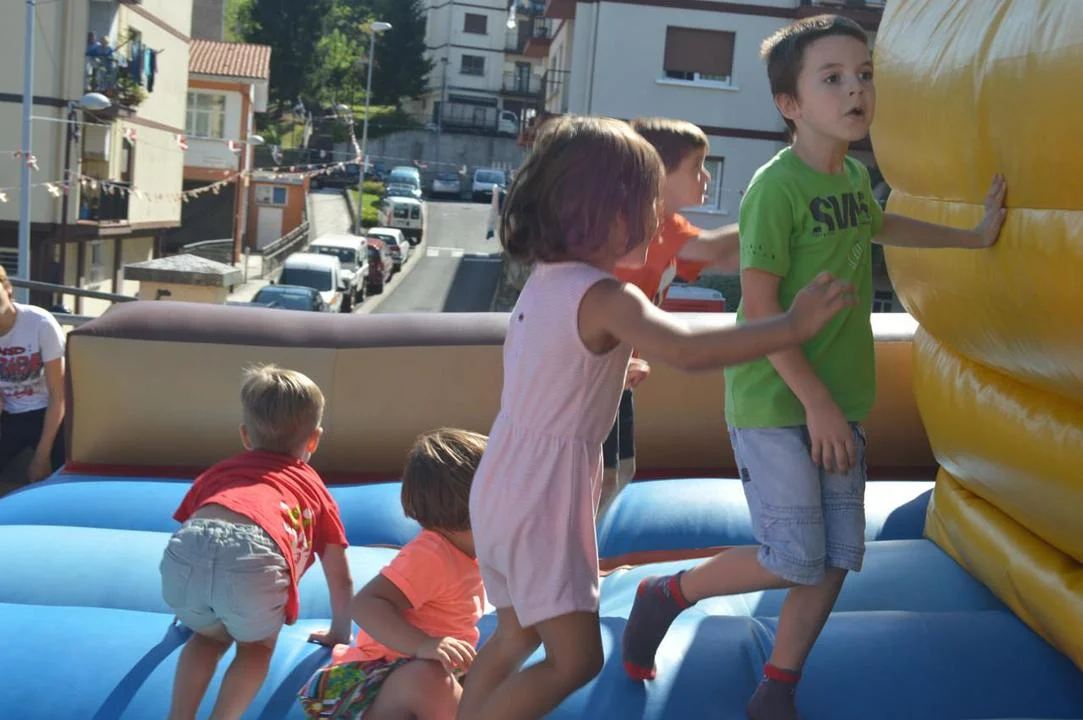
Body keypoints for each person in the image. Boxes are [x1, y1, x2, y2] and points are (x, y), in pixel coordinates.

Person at [620, 15, 1007, 720]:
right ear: (789, 104)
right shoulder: (776, 188)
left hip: (840, 398)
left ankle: (778, 685)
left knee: (835, 557)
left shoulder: (854, 177)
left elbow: (879, 224)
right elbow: (762, 311)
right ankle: (667, 593)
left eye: (864, 74)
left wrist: (972, 236)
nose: (855, 89)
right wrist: (816, 404)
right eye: (832, 78)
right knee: (793, 556)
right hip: (777, 401)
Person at [456, 114, 855, 720]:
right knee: (576, 661)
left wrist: (609, 376)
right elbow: (689, 351)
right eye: (647, 203)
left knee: (516, 637)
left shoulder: (546, 282)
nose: (657, 218)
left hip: (502, 481)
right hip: (544, 497)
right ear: (604, 211)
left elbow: (549, 366)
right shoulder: (608, 296)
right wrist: (792, 326)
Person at [160, 364, 354, 720]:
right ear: (314, 439)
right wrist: (340, 631)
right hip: (253, 559)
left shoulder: (219, 472)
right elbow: (340, 576)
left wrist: (199, 596)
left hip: (187, 549)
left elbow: (191, 529)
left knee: (207, 638)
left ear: (245, 435)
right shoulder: (313, 488)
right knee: (256, 648)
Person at [601, 117, 743, 514]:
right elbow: (714, 250)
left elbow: (725, 260)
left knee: (620, 472)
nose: (706, 177)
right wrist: (769, 210)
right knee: (600, 477)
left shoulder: (668, 225)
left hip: (618, 373)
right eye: (697, 167)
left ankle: (592, 546)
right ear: (658, 172)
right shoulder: (640, 225)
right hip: (597, 372)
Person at [298, 427, 487, 720]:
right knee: (427, 678)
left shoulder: (475, 552)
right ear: (478, 502)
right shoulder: (433, 554)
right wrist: (424, 645)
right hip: (374, 681)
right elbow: (366, 605)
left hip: (421, 680)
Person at [0, 266, 67, 484]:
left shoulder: (40, 323)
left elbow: (59, 394)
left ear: (7, 287)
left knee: (62, 474)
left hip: (47, 411)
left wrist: (41, 455)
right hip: (10, 414)